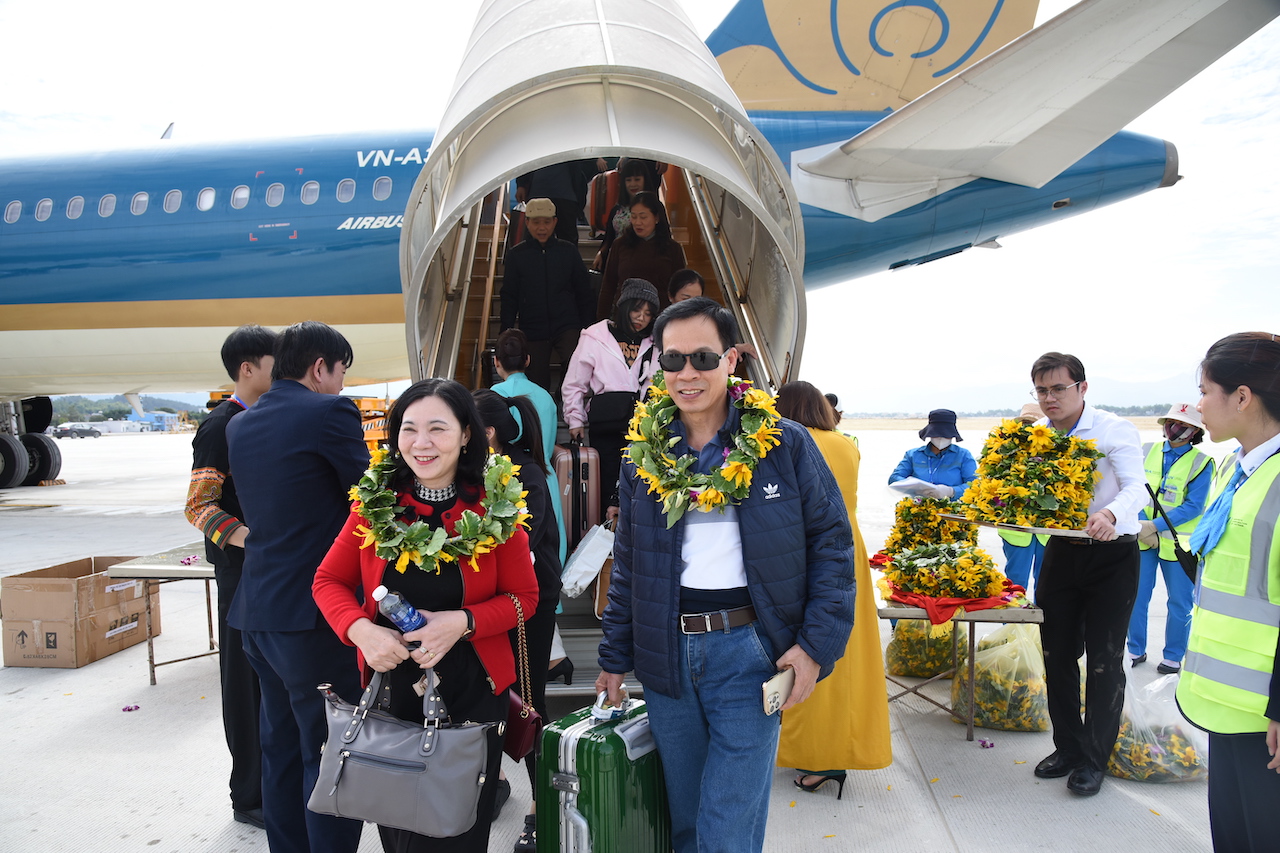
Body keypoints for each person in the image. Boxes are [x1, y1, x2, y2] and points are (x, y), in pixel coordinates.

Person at [596, 296, 854, 853]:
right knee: (686, 821)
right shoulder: (643, 456)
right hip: (668, 654)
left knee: (726, 827)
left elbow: (834, 549)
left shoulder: (784, 443)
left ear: (732, 359)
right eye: (672, 361)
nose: (687, 374)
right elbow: (631, 564)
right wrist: (614, 658)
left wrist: (813, 649)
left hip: (750, 654)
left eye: (703, 358)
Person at [312, 379, 540, 853]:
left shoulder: (497, 509)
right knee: (400, 830)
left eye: (437, 428)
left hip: (473, 696)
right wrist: (361, 631)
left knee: (460, 830)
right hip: (392, 692)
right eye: (409, 429)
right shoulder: (373, 507)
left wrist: (464, 622)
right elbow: (327, 582)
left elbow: (525, 598)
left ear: (465, 435)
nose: (421, 442)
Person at [225, 321, 370, 853]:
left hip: (257, 613)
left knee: (280, 749)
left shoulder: (242, 425)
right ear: (319, 368)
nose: (340, 384)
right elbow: (369, 499)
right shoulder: (330, 411)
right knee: (332, 752)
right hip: (312, 618)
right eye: (341, 373)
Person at [1177, 332, 1280, 852]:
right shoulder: (1235, 468)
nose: (1197, 405)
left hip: (1268, 717)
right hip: (1226, 701)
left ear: (1242, 396)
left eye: (1204, 390)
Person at [1028, 352, 1145, 798]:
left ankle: (1095, 759)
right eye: (1041, 390)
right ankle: (1068, 747)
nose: (1050, 398)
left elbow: (1135, 485)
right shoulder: (1037, 436)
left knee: (1103, 659)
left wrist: (1111, 512)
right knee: (1056, 654)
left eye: (1059, 388)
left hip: (1113, 556)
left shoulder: (1114, 429)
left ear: (1082, 387)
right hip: (1062, 551)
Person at [774, 381, 891, 797]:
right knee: (843, 655)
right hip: (849, 549)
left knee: (802, 647)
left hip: (806, 549)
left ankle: (813, 752)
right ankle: (836, 752)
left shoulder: (787, 443)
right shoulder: (846, 444)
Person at [183, 324, 275, 830]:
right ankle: (248, 796)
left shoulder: (261, 418)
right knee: (243, 683)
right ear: (248, 369)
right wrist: (251, 541)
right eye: (272, 362)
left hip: (266, 572)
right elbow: (198, 506)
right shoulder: (221, 425)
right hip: (241, 571)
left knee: (270, 683)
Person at [472, 389, 562, 853]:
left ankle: (541, 808)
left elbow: (525, 537)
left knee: (526, 701)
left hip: (527, 604)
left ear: (486, 433)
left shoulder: (524, 472)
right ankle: (500, 782)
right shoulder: (492, 469)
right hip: (498, 604)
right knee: (498, 696)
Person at [1127, 402, 1215, 674]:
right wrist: (1142, 525)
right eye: (1170, 422)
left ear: (1194, 432)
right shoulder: (1146, 451)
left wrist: (1153, 526)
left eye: (1181, 425)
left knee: (1179, 601)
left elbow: (1193, 506)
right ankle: (1135, 649)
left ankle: (1174, 655)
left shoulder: (1202, 463)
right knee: (1136, 596)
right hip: (1143, 538)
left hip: (1178, 544)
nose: (1173, 428)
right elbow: (1133, 488)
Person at [562, 278, 660, 519]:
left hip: (643, 426)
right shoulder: (595, 337)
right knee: (606, 481)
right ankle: (604, 542)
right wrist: (575, 420)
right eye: (637, 309)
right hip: (606, 422)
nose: (641, 318)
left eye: (648, 313)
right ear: (624, 306)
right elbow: (575, 382)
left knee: (639, 483)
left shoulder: (656, 341)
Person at [500, 197, 595, 391]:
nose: (541, 227)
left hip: (567, 323)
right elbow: (509, 295)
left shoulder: (568, 251)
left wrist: (588, 327)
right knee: (536, 379)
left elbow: (584, 291)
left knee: (574, 360)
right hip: (533, 327)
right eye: (536, 222)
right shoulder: (517, 255)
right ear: (527, 223)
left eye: (546, 222)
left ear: (555, 222)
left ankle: (564, 396)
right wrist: (506, 329)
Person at [491, 328, 566, 565]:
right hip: (544, 479)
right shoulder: (545, 396)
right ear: (528, 360)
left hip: (502, 484)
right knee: (549, 556)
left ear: (496, 362)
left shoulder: (492, 397)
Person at [596, 192, 686, 321]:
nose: (638, 222)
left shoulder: (672, 248)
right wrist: (601, 321)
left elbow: (679, 289)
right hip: (625, 317)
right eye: (634, 217)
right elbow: (608, 286)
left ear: (656, 218)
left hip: (660, 318)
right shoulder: (620, 244)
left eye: (643, 217)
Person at [999, 402, 1049, 593]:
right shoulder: (1006, 452)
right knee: (1015, 582)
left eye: (1033, 425)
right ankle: (1013, 623)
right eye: (1025, 424)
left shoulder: (1055, 451)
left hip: (1046, 529)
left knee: (1046, 581)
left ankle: (1045, 623)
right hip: (1016, 530)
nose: (1028, 429)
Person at [887, 408, 977, 499]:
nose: (941, 438)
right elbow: (894, 478)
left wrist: (952, 491)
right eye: (936, 434)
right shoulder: (913, 455)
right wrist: (912, 487)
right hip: (918, 507)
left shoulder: (963, 455)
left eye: (946, 435)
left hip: (951, 510)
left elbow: (974, 485)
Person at [592, 158, 654, 274]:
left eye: (637, 179)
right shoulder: (617, 209)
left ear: (645, 180)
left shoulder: (655, 207)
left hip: (646, 262)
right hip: (618, 262)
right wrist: (601, 253)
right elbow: (609, 238)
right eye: (628, 180)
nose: (633, 184)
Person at [515, 160, 596, 244]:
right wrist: (521, 184)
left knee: (567, 242)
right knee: (534, 243)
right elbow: (526, 157)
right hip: (539, 192)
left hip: (566, 194)